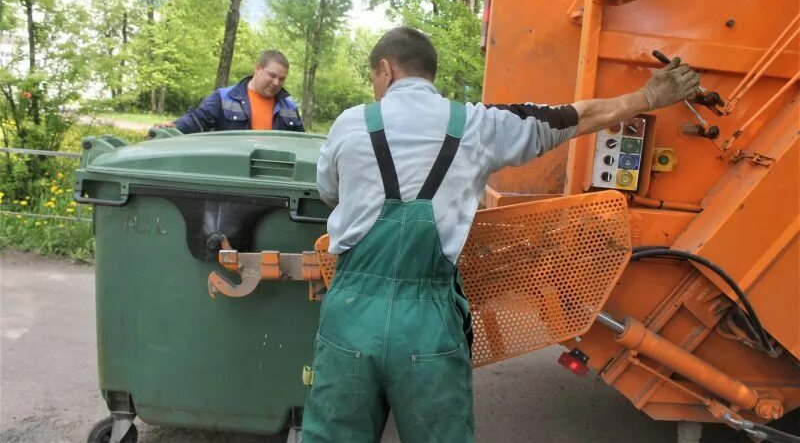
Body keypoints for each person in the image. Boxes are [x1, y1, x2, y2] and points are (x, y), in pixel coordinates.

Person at [304, 27, 700, 442]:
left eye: (374, 79)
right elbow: (576, 117)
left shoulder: (349, 124)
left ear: (384, 70)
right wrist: (648, 97)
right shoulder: (478, 125)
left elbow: (331, 194)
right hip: (429, 320)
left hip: (351, 311)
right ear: (430, 75)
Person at [161, 50, 304, 133]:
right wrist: (173, 128)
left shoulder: (289, 107)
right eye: (272, 76)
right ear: (258, 69)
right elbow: (197, 120)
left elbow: (301, 143)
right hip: (233, 175)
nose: (276, 83)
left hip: (274, 178)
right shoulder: (224, 98)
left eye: (281, 79)